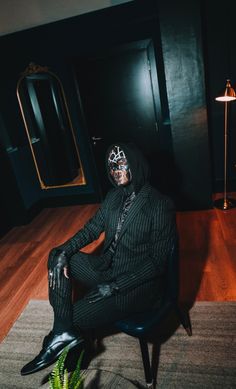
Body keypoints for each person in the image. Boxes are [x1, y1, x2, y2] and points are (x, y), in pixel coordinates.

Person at [21, 142, 177, 376]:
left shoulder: (159, 204)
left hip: (136, 287)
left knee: (72, 318)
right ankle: (62, 333)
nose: (115, 170)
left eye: (121, 163)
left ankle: (66, 346)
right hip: (107, 267)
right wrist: (64, 251)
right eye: (111, 165)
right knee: (57, 256)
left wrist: (114, 286)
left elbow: (157, 263)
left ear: (135, 163)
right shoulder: (114, 196)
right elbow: (91, 230)